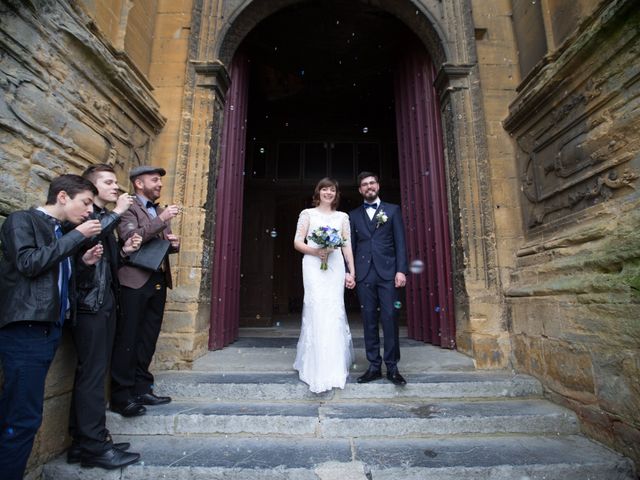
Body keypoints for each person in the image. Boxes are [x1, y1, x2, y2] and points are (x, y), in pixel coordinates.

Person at [0, 174, 103, 480]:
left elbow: (56, 280)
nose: (89, 210)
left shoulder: (62, 232)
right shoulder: (22, 220)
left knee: (20, 412)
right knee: (23, 417)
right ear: (62, 197)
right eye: (85, 202)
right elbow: (29, 263)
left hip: (47, 330)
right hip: (26, 329)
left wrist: (82, 262)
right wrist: (76, 238)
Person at [67, 164, 143, 469]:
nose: (116, 187)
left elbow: (101, 262)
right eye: (109, 182)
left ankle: (82, 442)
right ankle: (94, 446)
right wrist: (119, 211)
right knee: (92, 375)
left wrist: (124, 250)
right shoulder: (89, 217)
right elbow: (83, 246)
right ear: (91, 187)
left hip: (104, 302)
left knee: (92, 373)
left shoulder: (102, 218)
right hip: (91, 306)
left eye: (116, 182)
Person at [110, 165, 180, 416]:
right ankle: (121, 395)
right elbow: (131, 237)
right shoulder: (127, 208)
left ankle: (142, 388)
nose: (160, 184)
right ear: (139, 183)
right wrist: (160, 221)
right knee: (128, 337)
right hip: (133, 280)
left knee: (148, 337)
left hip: (158, 279)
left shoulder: (159, 210)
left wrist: (174, 244)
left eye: (160, 181)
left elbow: (161, 244)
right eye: (154, 180)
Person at [293, 177, 356, 393]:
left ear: (336, 194)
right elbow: (297, 242)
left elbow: (346, 245)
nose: (328, 193)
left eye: (332, 190)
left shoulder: (342, 217)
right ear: (318, 192)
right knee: (316, 309)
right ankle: (314, 366)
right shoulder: (307, 214)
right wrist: (316, 252)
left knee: (333, 311)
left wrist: (351, 271)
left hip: (335, 266)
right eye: (324, 189)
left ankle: (334, 365)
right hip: (313, 265)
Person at [349, 172, 408, 386]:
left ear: (378, 186)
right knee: (368, 320)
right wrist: (351, 272)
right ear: (360, 190)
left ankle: (392, 367)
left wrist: (401, 270)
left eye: (372, 183)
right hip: (364, 275)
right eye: (364, 185)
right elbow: (351, 247)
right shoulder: (353, 215)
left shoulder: (392, 210)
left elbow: (400, 243)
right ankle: (374, 366)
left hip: (388, 273)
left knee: (390, 318)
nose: (369, 187)